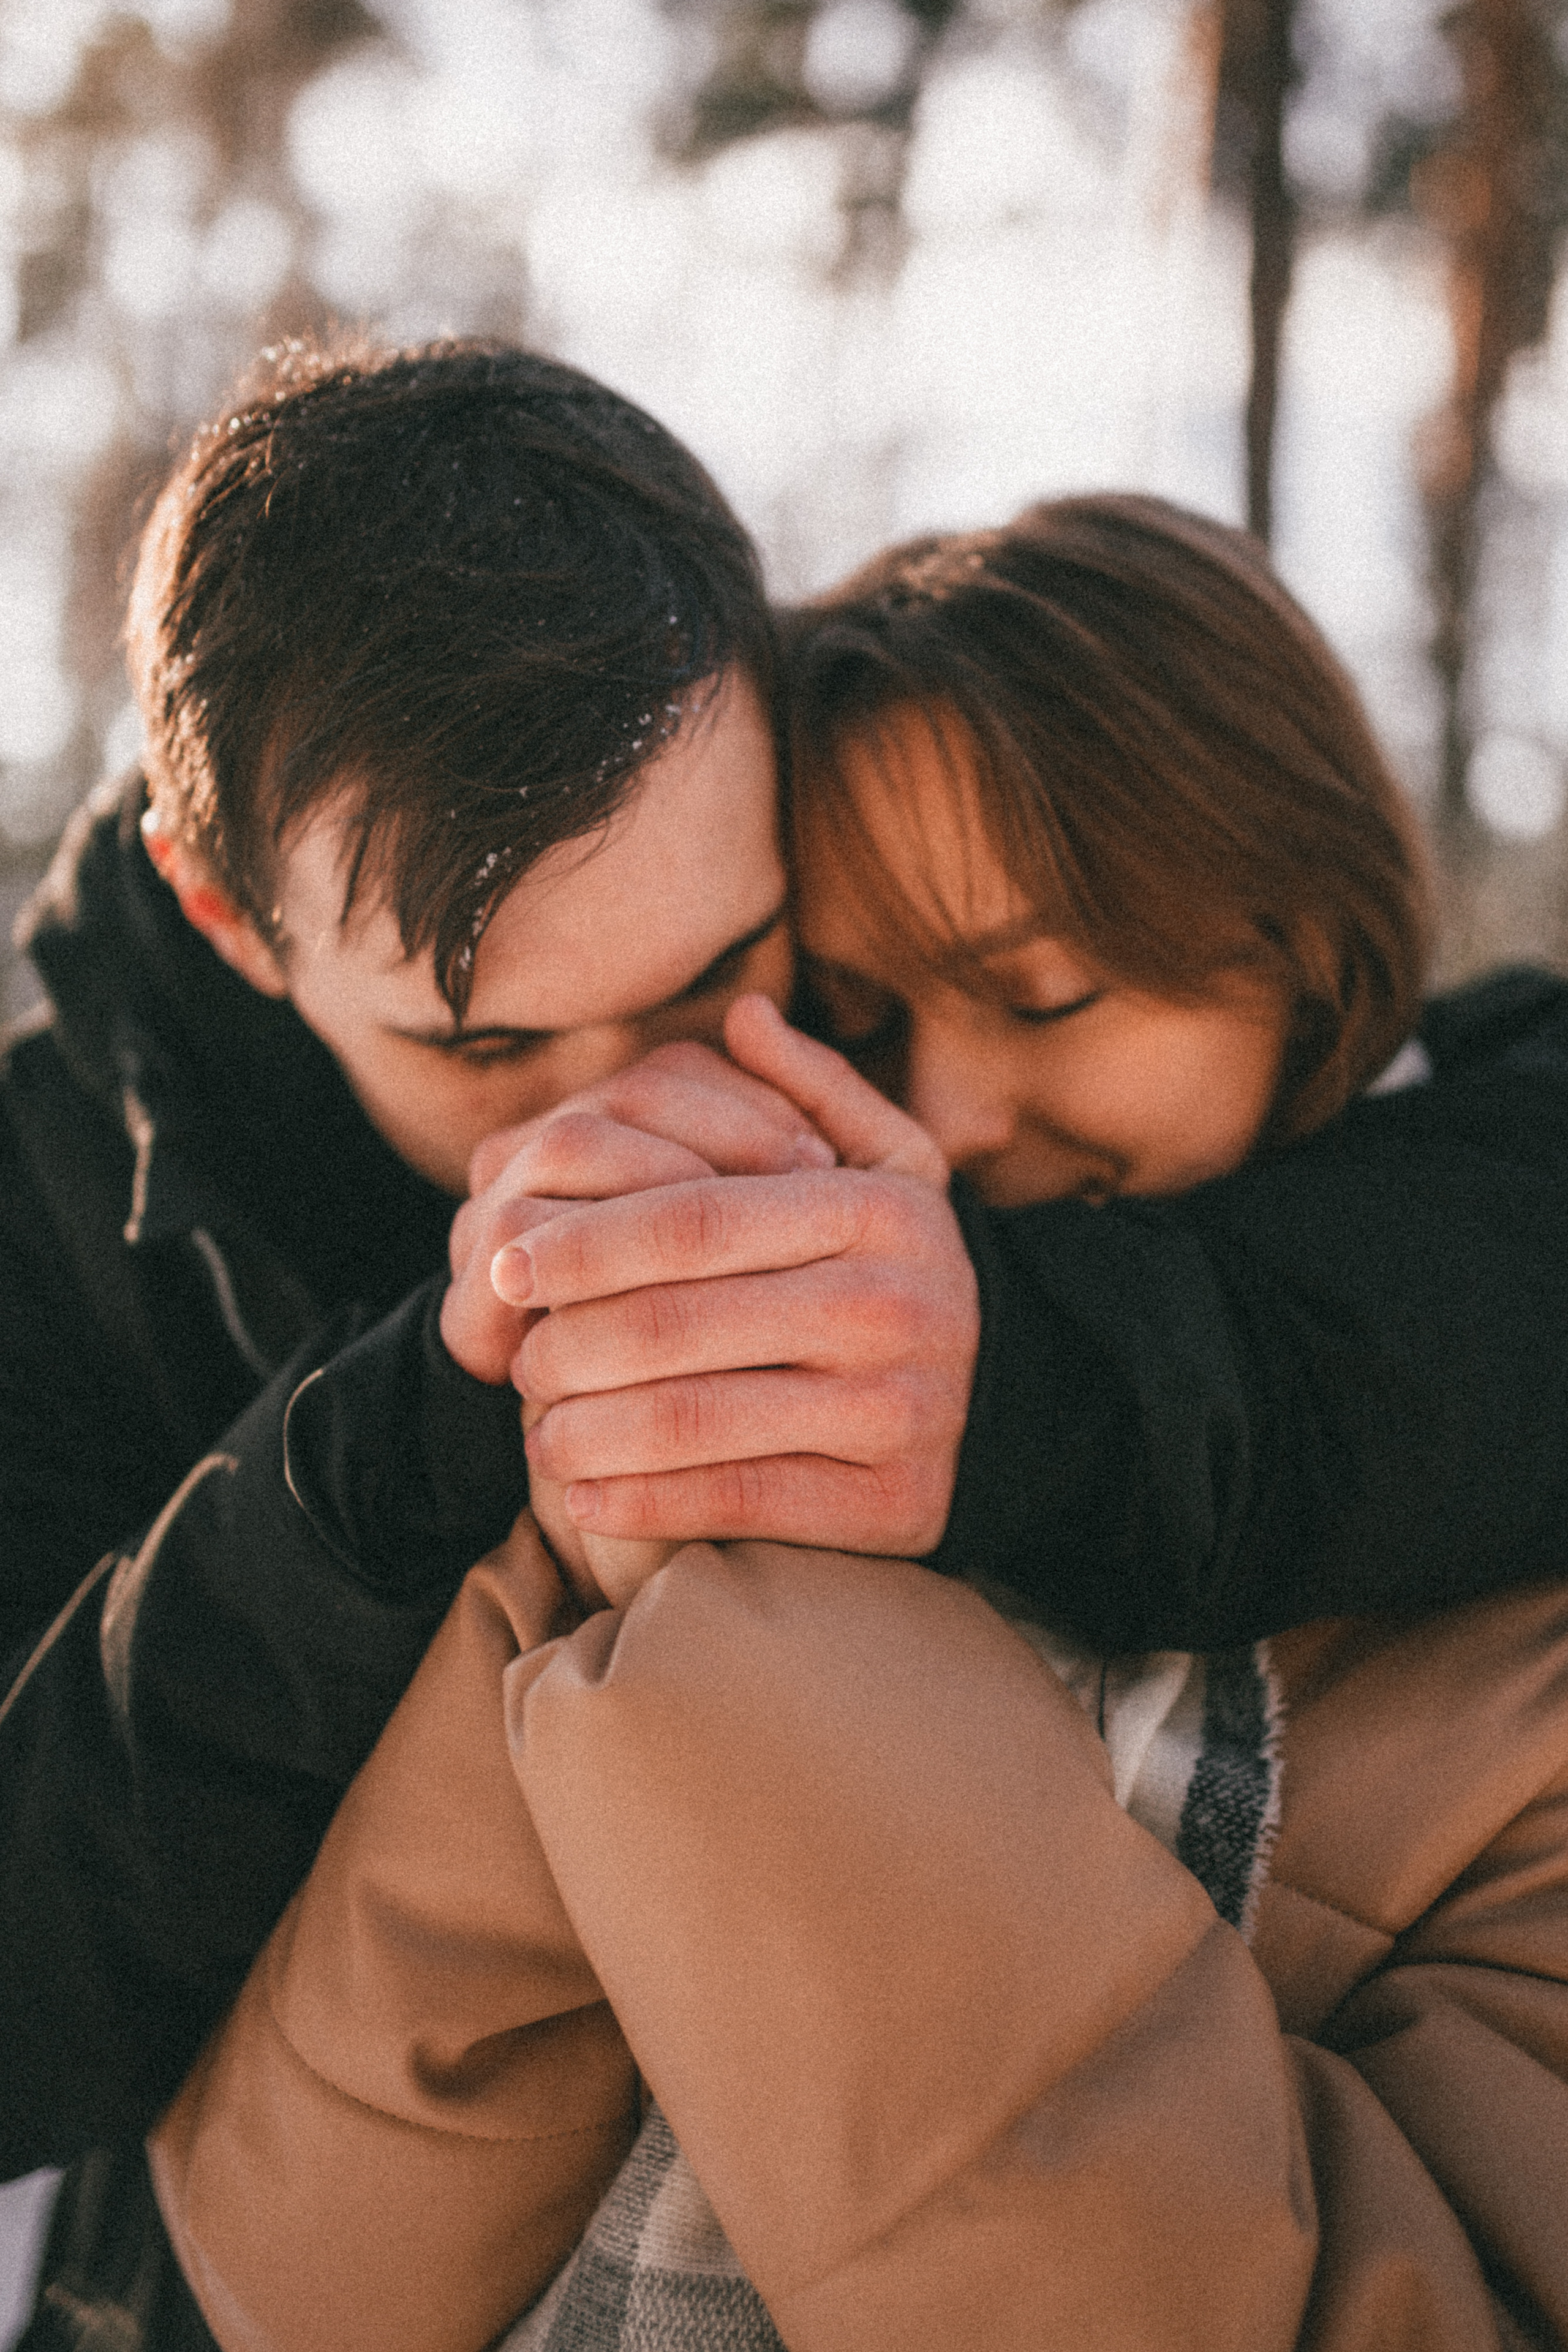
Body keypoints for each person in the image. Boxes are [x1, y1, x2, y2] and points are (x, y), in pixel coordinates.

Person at [0, 362, 1559, 2330]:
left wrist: (1017, 1372)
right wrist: (376, 1463)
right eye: (487, 1051)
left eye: (732, 978)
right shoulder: (50, 1217)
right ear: (231, 921)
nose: (619, 1123)